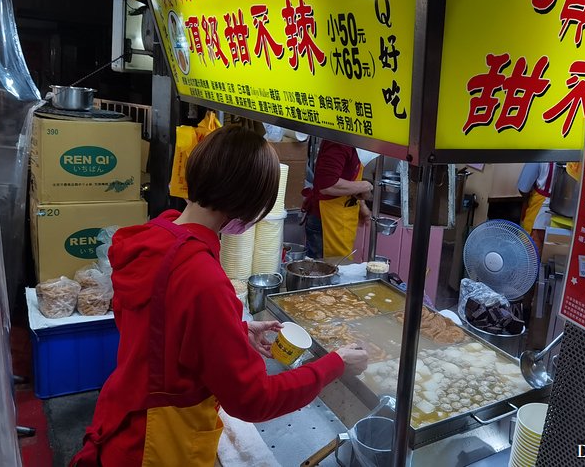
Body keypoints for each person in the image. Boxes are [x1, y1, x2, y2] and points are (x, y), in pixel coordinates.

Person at [70, 126, 368, 467]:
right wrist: (334, 365)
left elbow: (163, 332)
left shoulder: (156, 237)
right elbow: (252, 400)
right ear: (249, 205)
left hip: (122, 417)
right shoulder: (202, 277)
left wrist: (236, 333)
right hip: (156, 446)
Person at [302, 140, 373, 259]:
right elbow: (327, 185)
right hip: (326, 221)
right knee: (323, 272)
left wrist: (362, 205)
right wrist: (364, 186)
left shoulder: (355, 143)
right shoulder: (338, 142)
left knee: (340, 268)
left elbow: (349, 177)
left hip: (343, 217)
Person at [518, 162, 555, 252]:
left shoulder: (540, 156)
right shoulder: (574, 158)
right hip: (565, 212)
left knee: (530, 251)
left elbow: (523, 189)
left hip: (539, 210)